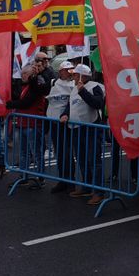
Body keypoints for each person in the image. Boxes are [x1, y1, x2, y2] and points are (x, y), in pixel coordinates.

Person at [62, 63, 106, 205]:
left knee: (94, 160)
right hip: (76, 128)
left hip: (91, 128)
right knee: (81, 159)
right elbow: (71, 105)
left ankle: (99, 192)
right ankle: (87, 186)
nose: (73, 77)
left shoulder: (95, 86)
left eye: (75, 74)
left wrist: (83, 91)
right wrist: (65, 114)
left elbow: (98, 103)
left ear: (82, 76)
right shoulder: (75, 88)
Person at [6, 64, 49, 189]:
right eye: (22, 73)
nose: (22, 75)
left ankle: (40, 178)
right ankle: (23, 176)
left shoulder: (36, 86)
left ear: (31, 75)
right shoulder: (25, 87)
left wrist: (10, 104)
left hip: (33, 124)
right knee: (24, 152)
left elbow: (26, 103)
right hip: (23, 123)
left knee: (36, 152)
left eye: (25, 73)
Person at [47, 61, 76, 193]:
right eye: (67, 70)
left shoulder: (75, 84)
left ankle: (70, 181)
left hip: (66, 123)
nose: (70, 72)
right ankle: (62, 180)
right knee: (59, 152)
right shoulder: (53, 82)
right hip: (54, 122)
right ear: (60, 71)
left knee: (67, 153)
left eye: (71, 70)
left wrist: (66, 114)